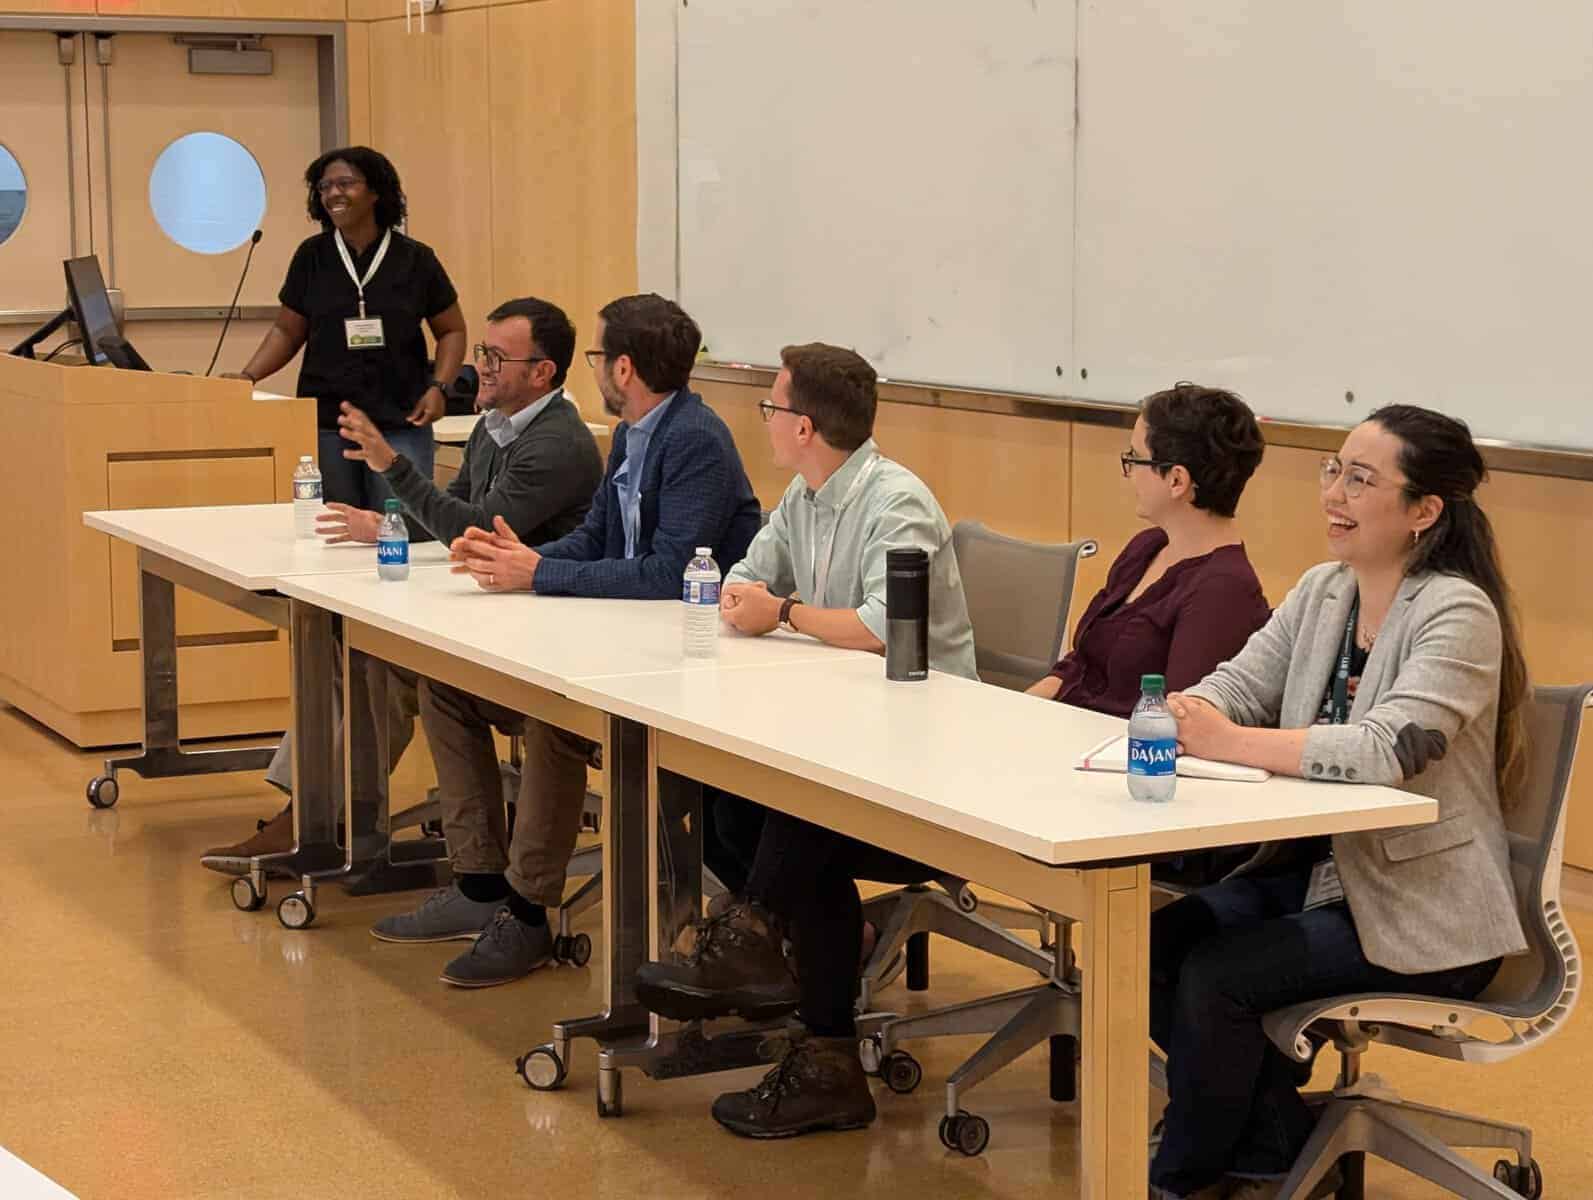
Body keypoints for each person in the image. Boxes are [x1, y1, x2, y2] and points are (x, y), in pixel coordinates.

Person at [1147, 405, 1530, 1199]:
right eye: (1332, 470)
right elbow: (1239, 685)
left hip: (1424, 910)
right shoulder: (1325, 590)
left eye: (1361, 479)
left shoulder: (1457, 612)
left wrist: (1228, 741)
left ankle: (1184, 1179)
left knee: (1216, 976)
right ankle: (1270, 1140)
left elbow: (1386, 749)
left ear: (1424, 511)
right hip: (1314, 875)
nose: (1334, 494)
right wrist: (1183, 710)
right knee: (1154, 948)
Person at [630, 343, 979, 1140]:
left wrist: (782, 614)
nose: (765, 421)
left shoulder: (897, 503)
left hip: (930, 747)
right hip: (844, 724)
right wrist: (758, 601)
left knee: (801, 816)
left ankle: (770, 955)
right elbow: (746, 578)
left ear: (804, 424)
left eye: (772, 407)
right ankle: (796, 973)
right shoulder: (804, 492)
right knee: (723, 801)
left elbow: (884, 626)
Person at [368, 293, 762, 987]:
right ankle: (479, 884)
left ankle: (526, 912)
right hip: (621, 640)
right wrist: (522, 564)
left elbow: (673, 571)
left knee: (553, 717)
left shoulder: (693, 439)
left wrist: (544, 571)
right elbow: (598, 539)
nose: (598, 371)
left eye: (600, 358)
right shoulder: (635, 433)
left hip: (689, 662)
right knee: (448, 688)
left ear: (626, 368)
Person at [199, 296, 602, 874]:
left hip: (536, 635)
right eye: (483, 352)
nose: (481, 366)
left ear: (542, 373)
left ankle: (321, 823)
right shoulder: (496, 426)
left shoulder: (556, 443)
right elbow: (458, 509)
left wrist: (392, 466)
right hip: (493, 607)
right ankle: (317, 815)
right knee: (355, 653)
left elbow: (472, 525)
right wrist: (387, 522)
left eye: (497, 356)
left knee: (380, 670)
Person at [1030, 382, 1271, 886]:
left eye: (1135, 459)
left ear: (1177, 479)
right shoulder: (1147, 547)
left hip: (1122, 797)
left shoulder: (1222, 590)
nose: (1127, 473)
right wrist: (1018, 712)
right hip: (1066, 760)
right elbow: (1082, 659)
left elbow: (1178, 725)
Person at [227, 146, 466, 507]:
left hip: (400, 419)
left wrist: (440, 388)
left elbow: (452, 330)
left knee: (402, 525)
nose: (332, 194)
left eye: (345, 183)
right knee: (336, 530)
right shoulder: (312, 256)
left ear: (375, 192)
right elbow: (287, 331)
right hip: (327, 421)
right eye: (324, 187)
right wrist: (248, 377)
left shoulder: (415, 259)